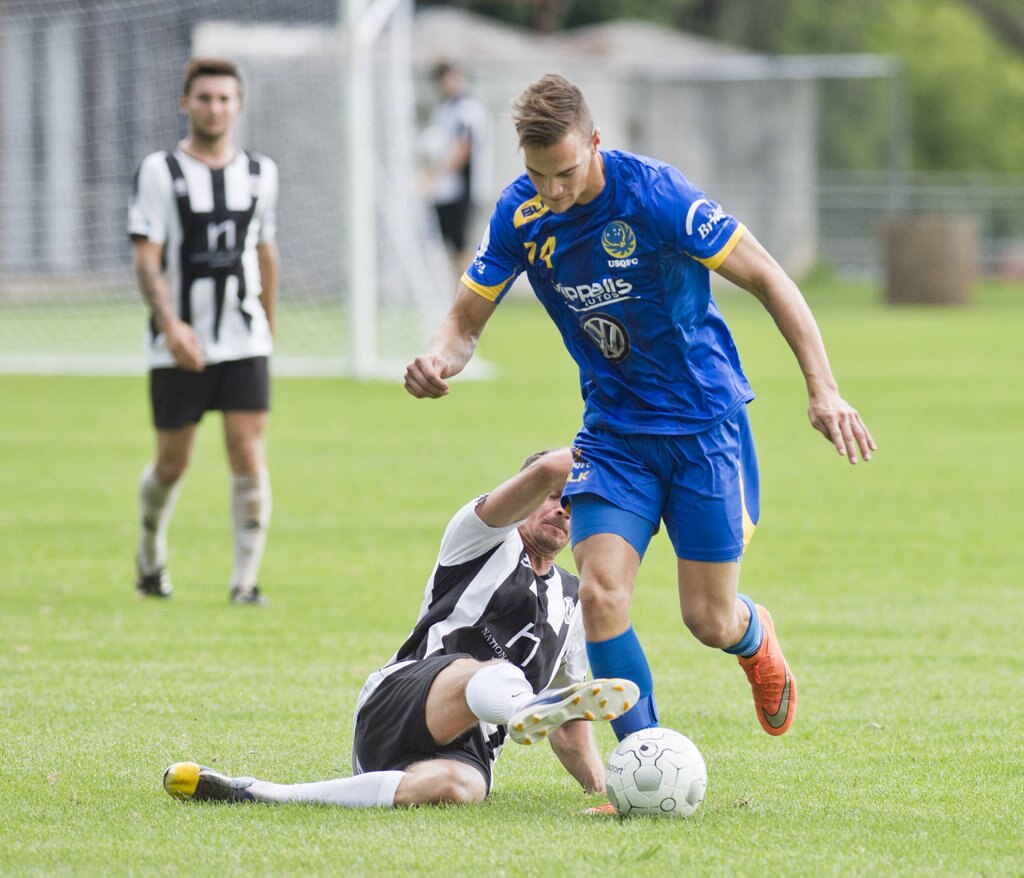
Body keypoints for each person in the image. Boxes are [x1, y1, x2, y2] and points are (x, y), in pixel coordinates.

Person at [404, 74, 877, 746]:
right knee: (600, 595)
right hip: (614, 432)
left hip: (702, 424)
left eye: (566, 171)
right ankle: (641, 758)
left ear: (595, 142)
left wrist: (822, 387)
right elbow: (463, 321)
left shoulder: (656, 195)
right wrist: (438, 359)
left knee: (707, 618)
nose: (555, 190)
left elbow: (768, 275)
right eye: (540, 176)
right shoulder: (521, 215)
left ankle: (753, 634)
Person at [162, 449, 639, 808]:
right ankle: (523, 704)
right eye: (554, 497)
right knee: (489, 672)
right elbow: (543, 472)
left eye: (573, 505)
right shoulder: (480, 537)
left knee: (463, 788)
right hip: (403, 698)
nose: (561, 509)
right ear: (527, 495)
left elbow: (569, 723)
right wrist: (610, 444)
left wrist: (599, 790)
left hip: (468, 748)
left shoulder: (574, 602)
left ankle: (269, 794)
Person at [127, 57, 280, 605]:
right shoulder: (159, 171)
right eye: (204, 97)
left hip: (244, 340)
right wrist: (170, 326)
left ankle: (245, 583)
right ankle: (150, 559)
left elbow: (265, 252)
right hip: (179, 343)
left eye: (224, 98)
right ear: (185, 103)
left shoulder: (261, 172)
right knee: (173, 462)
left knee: (248, 453)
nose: (214, 107)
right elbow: (147, 258)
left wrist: (269, 328)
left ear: (238, 105)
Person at [424, 61, 492, 279]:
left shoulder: (469, 108)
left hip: (464, 190)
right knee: (447, 247)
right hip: (442, 191)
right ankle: (451, 296)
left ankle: (464, 295)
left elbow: (464, 147)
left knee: (462, 246)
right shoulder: (442, 110)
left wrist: (435, 175)